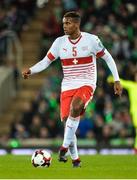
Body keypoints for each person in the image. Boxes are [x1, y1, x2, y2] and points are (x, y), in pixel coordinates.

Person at [22, 11, 122, 167]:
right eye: (63, 23)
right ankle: (75, 160)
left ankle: (63, 147)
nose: (64, 26)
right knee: (68, 123)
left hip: (87, 82)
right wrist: (31, 70)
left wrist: (116, 79)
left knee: (76, 108)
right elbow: (45, 61)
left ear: (77, 24)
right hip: (67, 85)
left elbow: (108, 57)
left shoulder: (92, 40)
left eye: (68, 23)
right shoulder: (59, 42)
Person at [108, 71, 137, 153]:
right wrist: (111, 78)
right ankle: (135, 149)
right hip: (135, 112)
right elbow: (122, 82)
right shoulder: (133, 86)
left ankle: (135, 148)